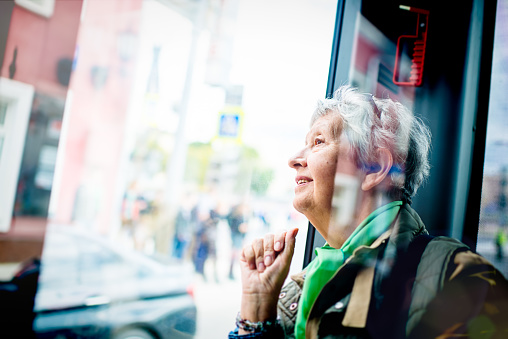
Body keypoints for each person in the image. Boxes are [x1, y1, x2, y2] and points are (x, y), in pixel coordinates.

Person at [229, 86, 508, 338]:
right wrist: (257, 310)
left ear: (375, 169)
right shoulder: (303, 285)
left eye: (318, 142)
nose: (293, 159)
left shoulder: (458, 280)